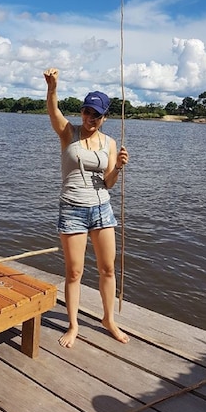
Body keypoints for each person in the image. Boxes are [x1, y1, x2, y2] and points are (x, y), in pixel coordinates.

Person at [44, 67, 129, 348]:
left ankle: (108, 320)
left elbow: (109, 183)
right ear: (81, 112)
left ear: (105, 118)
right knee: (74, 272)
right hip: (72, 210)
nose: (90, 118)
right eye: (87, 112)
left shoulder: (109, 142)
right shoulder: (69, 132)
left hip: (102, 209)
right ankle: (73, 324)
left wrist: (117, 167)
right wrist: (53, 86)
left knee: (107, 269)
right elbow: (53, 109)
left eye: (96, 114)